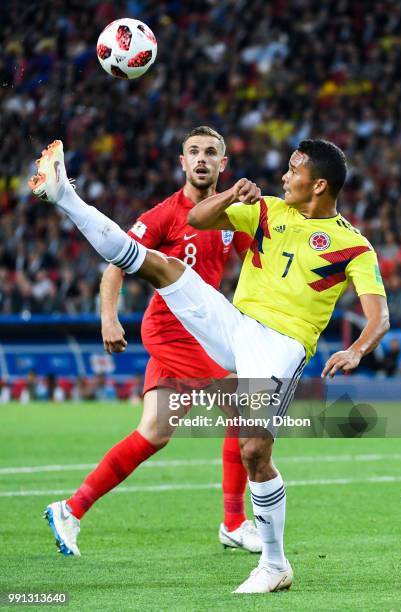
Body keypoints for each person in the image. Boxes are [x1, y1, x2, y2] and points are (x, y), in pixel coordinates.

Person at [30, 137, 389, 594]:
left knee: (254, 451)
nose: (283, 176)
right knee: (159, 266)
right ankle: (67, 198)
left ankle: (273, 562)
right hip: (234, 325)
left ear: (318, 184)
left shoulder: (354, 245)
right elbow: (197, 217)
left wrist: (356, 348)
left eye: (293, 169)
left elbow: (380, 316)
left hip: (279, 347)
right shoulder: (267, 210)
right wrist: (231, 194)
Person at [36, 127, 261, 557]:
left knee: (153, 433)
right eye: (193, 152)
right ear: (181, 162)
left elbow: (256, 262)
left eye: (210, 153)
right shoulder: (162, 216)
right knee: (246, 408)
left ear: (223, 164)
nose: (201, 159)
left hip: (202, 330)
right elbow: (116, 262)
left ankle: (71, 508)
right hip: (171, 331)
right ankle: (234, 522)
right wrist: (109, 317)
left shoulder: (230, 214)